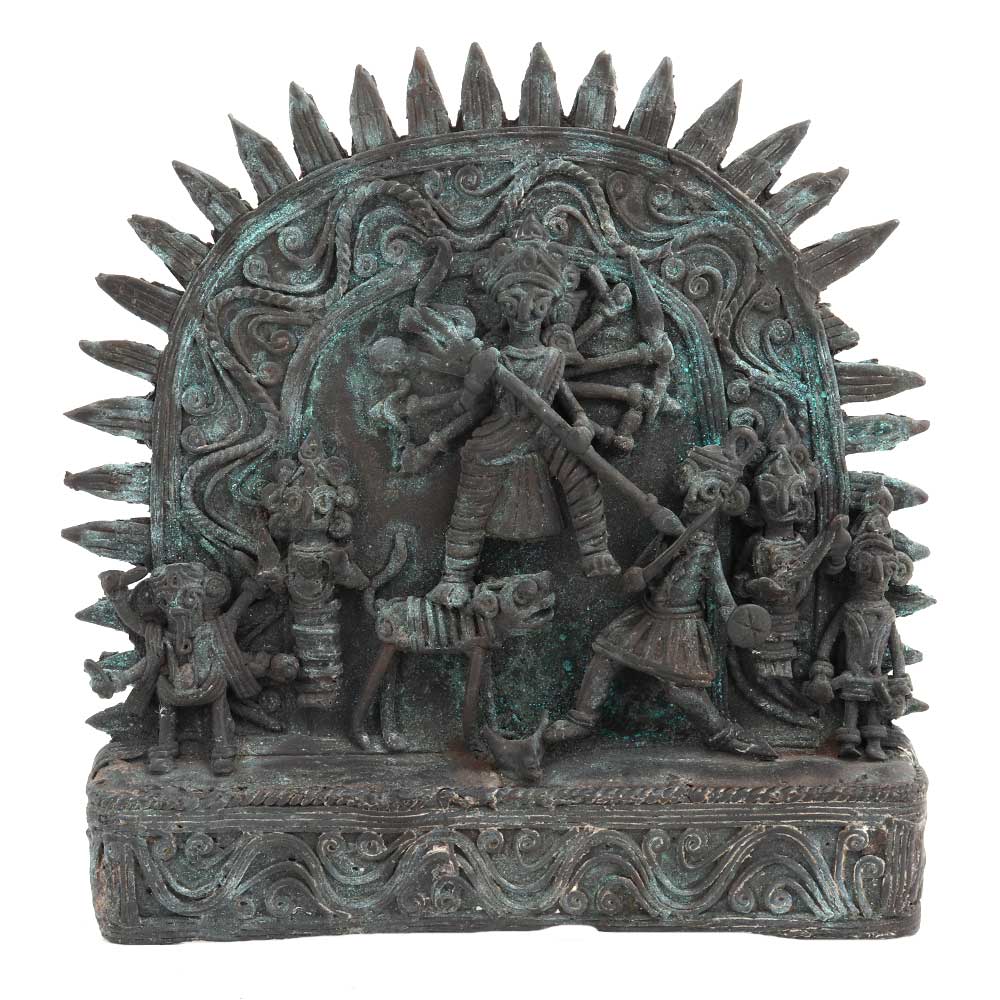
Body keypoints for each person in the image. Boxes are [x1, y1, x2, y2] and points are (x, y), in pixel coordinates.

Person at [545, 427, 777, 759]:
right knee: (605, 654)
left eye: (708, 493)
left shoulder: (706, 549)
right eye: (694, 489)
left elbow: (721, 592)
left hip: (680, 626)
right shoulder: (668, 536)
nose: (695, 500)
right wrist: (637, 577)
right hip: (649, 615)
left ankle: (724, 733)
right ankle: (582, 718)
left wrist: (735, 619)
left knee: (680, 690)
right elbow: (635, 576)